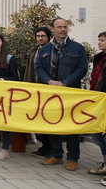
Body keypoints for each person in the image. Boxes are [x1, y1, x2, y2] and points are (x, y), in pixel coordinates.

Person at [36, 18, 88, 171]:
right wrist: (49, 81)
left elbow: (82, 68)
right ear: (52, 29)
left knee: (71, 126)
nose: (63, 29)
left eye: (65, 27)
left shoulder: (77, 48)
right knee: (53, 124)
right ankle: (56, 154)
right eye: (59, 27)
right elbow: (39, 67)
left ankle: (72, 158)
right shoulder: (45, 50)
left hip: (70, 93)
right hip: (52, 93)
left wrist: (65, 82)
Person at [25, 26, 52, 158]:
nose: (40, 38)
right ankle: (44, 145)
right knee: (38, 119)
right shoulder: (34, 51)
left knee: (47, 119)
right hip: (34, 87)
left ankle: (50, 147)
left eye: (43, 36)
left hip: (46, 88)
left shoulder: (52, 50)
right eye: (38, 36)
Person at [87, 32, 106, 176]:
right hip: (98, 100)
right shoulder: (99, 58)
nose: (99, 43)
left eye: (102, 40)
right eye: (99, 40)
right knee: (96, 132)